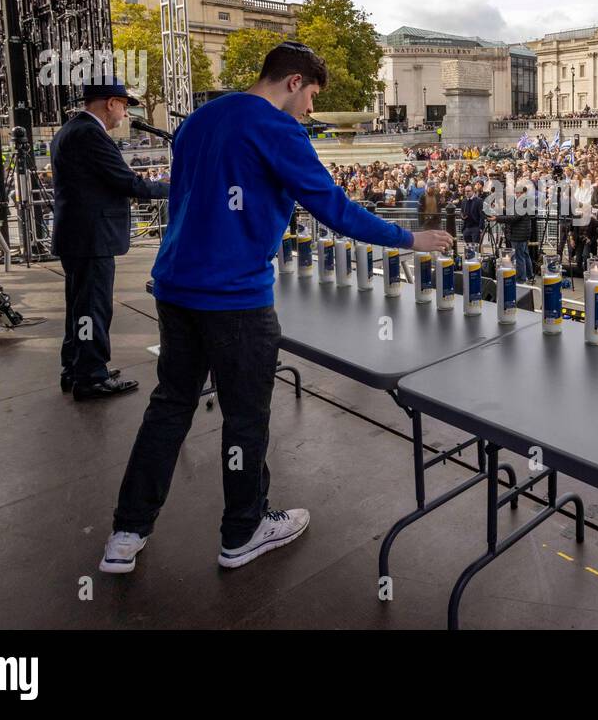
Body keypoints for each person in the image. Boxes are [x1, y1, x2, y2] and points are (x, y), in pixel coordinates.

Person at [101, 43, 452, 575]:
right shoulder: (278, 128)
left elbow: (186, 200)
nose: (311, 109)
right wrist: (409, 238)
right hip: (236, 297)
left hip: (175, 286)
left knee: (170, 406)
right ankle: (243, 531)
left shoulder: (199, 119)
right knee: (245, 419)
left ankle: (126, 533)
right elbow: (333, 209)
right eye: (311, 95)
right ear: (293, 82)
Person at [50, 77, 169, 401]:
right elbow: (126, 183)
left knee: (80, 307)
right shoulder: (89, 134)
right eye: (125, 106)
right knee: (92, 308)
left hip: (79, 235)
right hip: (91, 237)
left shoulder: (70, 130)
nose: (125, 114)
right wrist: (174, 188)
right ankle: (91, 376)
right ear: (111, 102)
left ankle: (75, 366)